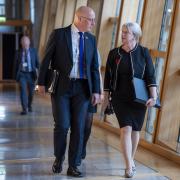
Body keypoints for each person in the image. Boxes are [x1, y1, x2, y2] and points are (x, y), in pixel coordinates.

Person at [37, 6, 100, 178]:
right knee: (62, 125)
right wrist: (40, 82)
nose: (93, 23)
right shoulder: (59, 34)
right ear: (80, 19)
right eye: (91, 19)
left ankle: (73, 165)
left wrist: (97, 91)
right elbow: (46, 59)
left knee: (79, 128)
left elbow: (94, 67)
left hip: (82, 89)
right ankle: (59, 158)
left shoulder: (91, 40)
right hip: (61, 87)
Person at [103, 22, 157, 178]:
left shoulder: (144, 52)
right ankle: (128, 166)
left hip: (139, 99)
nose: (123, 34)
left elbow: (150, 76)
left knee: (135, 130)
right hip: (120, 97)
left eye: (126, 32)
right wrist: (106, 98)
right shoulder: (114, 53)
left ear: (135, 35)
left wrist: (153, 96)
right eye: (122, 31)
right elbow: (108, 78)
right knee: (125, 129)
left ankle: (131, 159)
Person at [81, 50, 104, 160]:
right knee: (76, 123)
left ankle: (82, 146)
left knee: (87, 123)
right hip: (76, 90)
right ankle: (76, 147)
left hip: (91, 91)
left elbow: (98, 71)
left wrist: (101, 91)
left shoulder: (93, 48)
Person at [14, 35, 39, 115]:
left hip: (31, 74)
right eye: (23, 41)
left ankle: (29, 105)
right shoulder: (18, 52)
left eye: (26, 41)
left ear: (29, 42)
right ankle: (24, 109)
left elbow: (38, 63)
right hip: (22, 74)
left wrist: (42, 74)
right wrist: (15, 77)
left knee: (31, 92)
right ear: (21, 43)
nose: (25, 43)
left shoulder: (33, 51)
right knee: (23, 91)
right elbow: (15, 65)